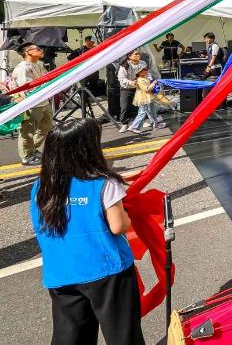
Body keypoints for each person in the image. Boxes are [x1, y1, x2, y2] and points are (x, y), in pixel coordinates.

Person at [29, 118, 145, 344]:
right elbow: (119, 226)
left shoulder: (41, 185)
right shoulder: (104, 183)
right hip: (107, 271)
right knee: (123, 335)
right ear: (88, 150)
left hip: (62, 272)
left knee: (71, 335)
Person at [11, 43, 53, 165]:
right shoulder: (22, 68)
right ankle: (26, 156)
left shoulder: (38, 65)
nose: (41, 50)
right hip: (31, 104)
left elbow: (48, 78)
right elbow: (28, 89)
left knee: (46, 126)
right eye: (37, 49)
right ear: (28, 52)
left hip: (43, 102)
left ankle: (33, 149)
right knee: (28, 131)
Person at [128, 66, 164, 134]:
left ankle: (155, 124)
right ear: (139, 72)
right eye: (144, 70)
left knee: (152, 111)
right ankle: (134, 127)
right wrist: (153, 84)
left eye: (146, 69)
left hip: (149, 98)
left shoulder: (145, 78)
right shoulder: (140, 80)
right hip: (143, 99)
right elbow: (146, 89)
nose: (146, 70)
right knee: (142, 112)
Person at [116, 50, 146, 133]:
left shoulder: (142, 63)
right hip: (126, 88)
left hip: (138, 87)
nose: (138, 55)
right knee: (124, 107)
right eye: (136, 54)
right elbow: (121, 78)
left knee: (141, 105)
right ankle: (124, 124)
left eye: (139, 53)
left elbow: (146, 74)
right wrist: (131, 82)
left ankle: (141, 122)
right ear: (129, 56)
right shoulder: (124, 65)